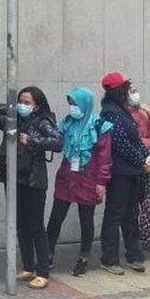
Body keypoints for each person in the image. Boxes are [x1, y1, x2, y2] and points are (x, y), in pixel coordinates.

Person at [0, 86, 63, 289]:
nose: (22, 105)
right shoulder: (14, 121)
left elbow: (58, 142)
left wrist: (32, 140)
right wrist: (12, 107)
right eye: (20, 101)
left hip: (33, 180)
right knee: (20, 225)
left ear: (37, 104)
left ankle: (43, 271)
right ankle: (29, 266)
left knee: (36, 226)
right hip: (13, 178)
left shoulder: (43, 120)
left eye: (27, 102)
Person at [46, 87, 113, 277]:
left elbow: (105, 157)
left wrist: (101, 181)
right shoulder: (67, 123)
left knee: (86, 219)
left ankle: (83, 258)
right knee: (56, 216)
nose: (72, 108)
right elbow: (56, 141)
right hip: (67, 176)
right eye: (70, 104)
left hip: (89, 178)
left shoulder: (100, 125)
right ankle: (48, 254)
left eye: (75, 104)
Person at [97, 72, 150, 276]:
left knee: (131, 214)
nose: (129, 93)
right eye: (125, 89)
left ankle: (134, 255)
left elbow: (137, 140)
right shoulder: (110, 113)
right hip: (120, 174)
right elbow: (121, 144)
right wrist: (141, 160)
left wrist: (148, 157)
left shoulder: (123, 111)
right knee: (115, 214)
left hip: (133, 172)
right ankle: (109, 258)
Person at [127, 85, 150, 150]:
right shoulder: (122, 113)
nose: (134, 94)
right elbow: (131, 141)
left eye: (135, 91)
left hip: (143, 155)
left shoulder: (142, 112)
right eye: (131, 92)